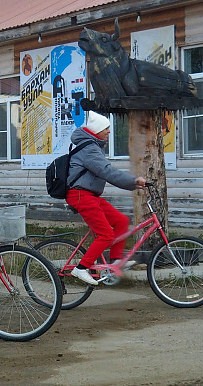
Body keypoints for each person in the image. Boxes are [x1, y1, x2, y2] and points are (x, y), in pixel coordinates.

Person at [66, 111, 146, 286]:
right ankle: (81, 268)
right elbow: (107, 172)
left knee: (121, 221)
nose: (109, 131)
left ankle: (115, 261)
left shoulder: (92, 146)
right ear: (96, 130)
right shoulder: (89, 149)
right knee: (105, 234)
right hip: (81, 195)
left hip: (90, 195)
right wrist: (133, 181)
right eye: (106, 128)